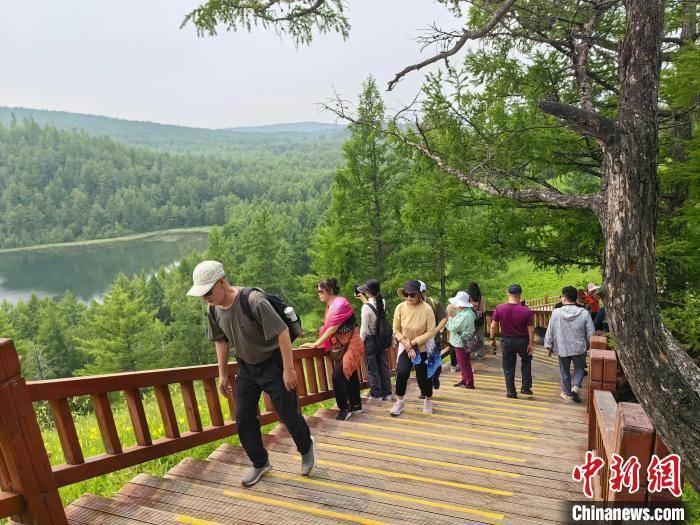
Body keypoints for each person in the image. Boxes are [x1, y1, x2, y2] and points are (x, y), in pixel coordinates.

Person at [187, 260, 314, 486]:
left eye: (208, 291)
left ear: (222, 282)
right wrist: (222, 374)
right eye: (201, 294)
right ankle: (259, 462)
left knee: (288, 414)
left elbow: (282, 332)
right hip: (246, 367)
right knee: (244, 417)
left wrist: (288, 369)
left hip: (273, 364)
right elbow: (221, 341)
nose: (205, 298)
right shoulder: (212, 309)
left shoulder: (253, 301)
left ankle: (305, 448)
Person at [298, 279, 365, 421]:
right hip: (344, 345)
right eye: (318, 292)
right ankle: (356, 405)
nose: (319, 294)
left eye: (321, 291)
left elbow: (332, 328)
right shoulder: (331, 306)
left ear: (330, 290)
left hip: (352, 345)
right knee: (350, 373)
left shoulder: (341, 304)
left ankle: (344, 409)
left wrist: (316, 344)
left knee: (338, 375)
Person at [390, 280, 436, 416]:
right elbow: (396, 329)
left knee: (423, 377)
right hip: (405, 346)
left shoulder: (427, 309)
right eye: (406, 294)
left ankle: (428, 400)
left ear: (419, 295)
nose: (409, 297)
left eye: (412, 295)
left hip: (422, 347)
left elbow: (431, 331)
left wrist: (414, 343)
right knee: (402, 372)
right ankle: (400, 401)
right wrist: (407, 345)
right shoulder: (400, 308)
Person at [544, 286, 595, 403]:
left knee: (565, 370)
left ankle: (567, 393)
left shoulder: (556, 313)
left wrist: (548, 345)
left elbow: (550, 331)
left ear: (564, 298)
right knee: (580, 367)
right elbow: (591, 332)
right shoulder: (584, 313)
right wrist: (588, 344)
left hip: (562, 347)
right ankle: (576, 387)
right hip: (579, 347)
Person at [490, 284, 535, 399]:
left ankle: (511, 392)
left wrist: (492, 339)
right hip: (522, 340)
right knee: (526, 361)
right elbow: (531, 329)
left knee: (508, 366)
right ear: (520, 294)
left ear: (508, 293)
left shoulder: (500, 308)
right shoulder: (526, 310)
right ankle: (525, 388)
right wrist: (531, 343)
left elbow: (493, 325)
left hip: (507, 341)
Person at [356, 279, 392, 402]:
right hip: (381, 339)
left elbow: (364, 330)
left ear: (367, 292)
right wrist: (364, 301)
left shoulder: (366, 308)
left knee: (372, 368)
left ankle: (376, 394)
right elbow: (376, 310)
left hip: (370, 341)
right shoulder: (382, 301)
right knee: (383, 366)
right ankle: (387, 393)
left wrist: (360, 344)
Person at [419, 281, 448, 394]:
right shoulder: (411, 304)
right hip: (419, 342)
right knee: (421, 366)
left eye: (420, 292)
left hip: (433, 341)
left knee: (436, 363)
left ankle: (435, 377)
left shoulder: (433, 303)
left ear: (424, 291)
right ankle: (425, 391)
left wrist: (435, 330)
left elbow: (444, 317)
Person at [446, 291, 477, 388]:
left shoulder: (465, 315)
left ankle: (469, 383)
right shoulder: (467, 312)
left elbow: (453, 327)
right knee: (463, 362)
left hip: (461, 342)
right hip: (462, 341)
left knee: (464, 363)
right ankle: (465, 380)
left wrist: (449, 319)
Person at [467, 282, 487, 356]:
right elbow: (484, 310)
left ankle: (469, 353)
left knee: (469, 336)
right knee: (480, 336)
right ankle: (480, 354)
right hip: (479, 320)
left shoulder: (468, 298)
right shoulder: (481, 297)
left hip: (470, 320)